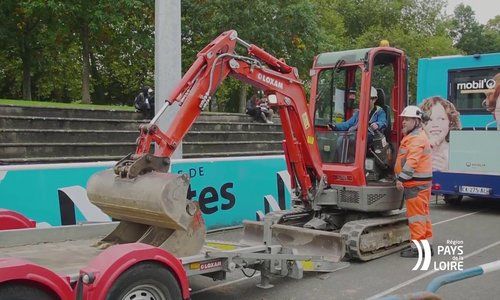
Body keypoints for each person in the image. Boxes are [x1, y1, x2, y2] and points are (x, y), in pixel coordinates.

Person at [395, 105, 433, 258]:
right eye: (404, 119)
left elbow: (412, 162)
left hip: (415, 185)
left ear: (416, 121)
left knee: (416, 217)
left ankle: (417, 248)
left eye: (408, 119)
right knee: (423, 216)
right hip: (421, 184)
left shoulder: (416, 138)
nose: (404, 122)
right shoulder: (417, 136)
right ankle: (427, 247)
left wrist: (401, 179)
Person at [328, 86, 387, 162]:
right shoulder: (359, 112)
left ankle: (353, 161)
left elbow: (383, 122)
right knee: (341, 139)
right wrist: (335, 126)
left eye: (368, 98)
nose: (364, 101)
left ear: (374, 99)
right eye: (363, 98)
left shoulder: (379, 112)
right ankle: (340, 163)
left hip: (372, 137)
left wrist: (377, 125)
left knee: (353, 139)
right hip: (357, 135)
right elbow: (348, 124)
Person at [420, 97, 461, 171]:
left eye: (441, 119)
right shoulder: (415, 149)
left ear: (450, 122)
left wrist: (447, 170)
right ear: (422, 124)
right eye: (429, 119)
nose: (435, 124)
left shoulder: (458, 152)